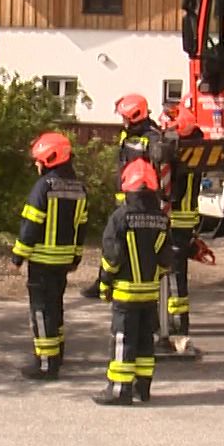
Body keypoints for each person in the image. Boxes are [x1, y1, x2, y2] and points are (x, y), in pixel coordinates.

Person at [11, 131, 89, 380]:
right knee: (55, 307)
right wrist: (76, 257)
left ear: (50, 158)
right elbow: (81, 227)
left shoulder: (43, 187)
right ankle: (57, 355)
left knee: (41, 310)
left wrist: (18, 255)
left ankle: (46, 364)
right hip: (63, 261)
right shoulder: (79, 188)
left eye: (39, 160)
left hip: (42, 261)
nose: (37, 164)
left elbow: (31, 224)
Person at [94, 158, 170, 406]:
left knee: (123, 340)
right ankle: (142, 388)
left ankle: (119, 390)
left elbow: (112, 258)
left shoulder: (120, 217)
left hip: (125, 294)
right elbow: (166, 260)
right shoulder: (161, 218)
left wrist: (104, 284)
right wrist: (153, 278)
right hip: (149, 294)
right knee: (145, 341)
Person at [81, 91, 161, 302]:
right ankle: (104, 279)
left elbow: (158, 160)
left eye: (125, 116)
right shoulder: (129, 134)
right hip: (124, 196)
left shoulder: (152, 137)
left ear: (135, 116)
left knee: (134, 241)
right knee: (112, 239)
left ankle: (130, 280)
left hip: (141, 198)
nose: (123, 120)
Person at [153, 105, 206, 359]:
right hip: (185, 221)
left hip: (175, 221)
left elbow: (173, 192)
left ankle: (176, 326)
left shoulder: (181, 155)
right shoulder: (197, 147)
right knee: (177, 276)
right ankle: (176, 322)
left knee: (172, 275)